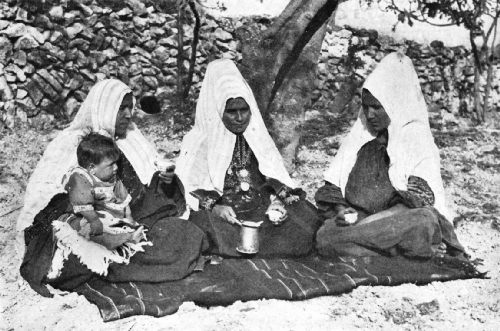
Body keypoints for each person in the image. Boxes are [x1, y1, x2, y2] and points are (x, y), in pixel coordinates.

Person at [18, 79, 207, 297]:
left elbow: (144, 187)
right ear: (104, 109)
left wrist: (164, 181)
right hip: (93, 226)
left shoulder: (131, 137)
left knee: (190, 233)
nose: (128, 114)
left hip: (135, 218)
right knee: (176, 242)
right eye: (121, 108)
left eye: (130, 107)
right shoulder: (73, 145)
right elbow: (49, 197)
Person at [314, 52, 465, 258]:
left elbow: (417, 200)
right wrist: (342, 211)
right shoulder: (361, 135)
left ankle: (372, 247)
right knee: (325, 235)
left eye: (377, 107)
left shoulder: (416, 138)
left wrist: (366, 226)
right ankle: (392, 252)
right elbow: (332, 186)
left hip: (398, 220)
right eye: (365, 107)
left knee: (423, 223)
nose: (370, 115)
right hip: (361, 221)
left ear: (395, 104)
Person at [176, 59, 320, 257]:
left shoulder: (256, 135)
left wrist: (277, 200)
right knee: (205, 227)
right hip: (224, 213)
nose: (240, 118)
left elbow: (273, 176)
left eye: (244, 110)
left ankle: (265, 246)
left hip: (260, 207)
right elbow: (188, 189)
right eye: (231, 111)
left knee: (304, 216)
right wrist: (216, 207)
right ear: (218, 109)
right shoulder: (199, 140)